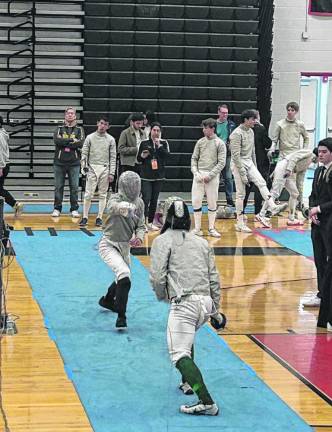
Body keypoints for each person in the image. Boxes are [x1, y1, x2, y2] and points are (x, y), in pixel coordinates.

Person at [149, 198, 225, 416]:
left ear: (166, 217)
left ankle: (206, 400)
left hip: (185, 303)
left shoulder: (163, 241)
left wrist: (163, 296)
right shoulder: (201, 242)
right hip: (205, 304)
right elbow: (213, 278)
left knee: (178, 353)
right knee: (186, 336)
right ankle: (188, 382)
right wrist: (215, 310)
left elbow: (157, 277)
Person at [98, 171, 145, 330]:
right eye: (130, 185)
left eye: (135, 185)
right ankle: (121, 316)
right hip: (108, 244)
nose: (133, 188)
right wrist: (125, 207)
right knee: (124, 276)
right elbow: (112, 208)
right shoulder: (115, 198)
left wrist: (139, 237)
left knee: (122, 277)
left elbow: (141, 226)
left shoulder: (140, 203)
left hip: (125, 246)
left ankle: (107, 300)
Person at [230, 109, 287, 233]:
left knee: (261, 182)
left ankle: (272, 206)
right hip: (238, 164)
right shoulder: (236, 134)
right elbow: (235, 156)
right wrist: (243, 174)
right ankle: (239, 223)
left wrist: (254, 168)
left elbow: (253, 152)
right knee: (241, 194)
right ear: (246, 120)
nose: (255, 121)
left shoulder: (251, 131)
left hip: (249, 162)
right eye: (252, 119)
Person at [304, 138, 332, 307]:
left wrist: (319, 209)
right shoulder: (318, 171)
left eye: (324, 152)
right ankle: (322, 294)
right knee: (320, 260)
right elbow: (312, 195)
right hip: (318, 224)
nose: (320, 155)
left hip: (329, 222)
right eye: (319, 152)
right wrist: (311, 209)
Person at [259, 149, 316, 226]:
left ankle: (291, 218)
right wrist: (288, 170)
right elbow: (294, 157)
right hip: (285, 167)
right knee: (275, 192)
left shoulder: (307, 164)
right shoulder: (308, 152)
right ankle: (261, 214)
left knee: (295, 193)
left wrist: (301, 200)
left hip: (288, 171)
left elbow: (300, 182)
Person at [269, 102, 309, 210]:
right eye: (289, 110)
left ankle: (299, 204)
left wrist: (304, 151)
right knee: (279, 181)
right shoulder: (280, 124)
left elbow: (306, 138)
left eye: (293, 110)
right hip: (283, 156)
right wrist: (272, 148)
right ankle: (272, 204)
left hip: (296, 157)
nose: (290, 112)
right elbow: (274, 140)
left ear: (296, 112)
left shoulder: (300, 124)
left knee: (299, 182)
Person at [191, 118, 226, 238]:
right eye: (203, 127)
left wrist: (210, 175)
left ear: (212, 129)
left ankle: (211, 228)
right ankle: (197, 228)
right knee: (196, 202)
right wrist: (196, 172)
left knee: (212, 202)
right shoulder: (200, 142)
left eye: (205, 128)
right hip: (199, 176)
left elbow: (221, 163)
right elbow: (194, 158)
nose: (203, 130)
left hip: (212, 177)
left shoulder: (220, 143)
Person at [79, 116, 116, 227]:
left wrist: (111, 173)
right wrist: (84, 167)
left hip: (105, 168)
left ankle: (99, 217)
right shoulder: (90, 138)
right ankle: (85, 217)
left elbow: (113, 157)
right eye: (101, 123)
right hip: (92, 168)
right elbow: (84, 154)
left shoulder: (111, 139)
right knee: (88, 194)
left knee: (103, 195)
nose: (102, 126)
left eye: (105, 124)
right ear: (97, 123)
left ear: (108, 126)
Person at [52, 107, 85, 218]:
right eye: (68, 113)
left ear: (75, 116)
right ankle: (57, 208)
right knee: (58, 186)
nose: (70, 115)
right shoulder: (59, 128)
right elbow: (57, 141)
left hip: (74, 163)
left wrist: (65, 142)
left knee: (74, 187)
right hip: (59, 162)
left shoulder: (80, 130)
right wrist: (71, 140)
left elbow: (80, 143)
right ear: (65, 115)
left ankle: (74, 209)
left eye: (72, 113)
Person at [137, 122, 169, 231]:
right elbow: (138, 159)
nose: (156, 133)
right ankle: (142, 222)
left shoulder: (164, 143)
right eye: (154, 130)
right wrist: (142, 156)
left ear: (160, 132)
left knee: (154, 200)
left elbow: (167, 156)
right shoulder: (144, 143)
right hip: (146, 176)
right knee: (146, 198)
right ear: (150, 131)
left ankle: (150, 221)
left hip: (159, 176)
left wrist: (159, 146)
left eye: (158, 131)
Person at [243, 110, 272, 218]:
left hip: (248, 161)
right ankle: (257, 211)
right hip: (259, 161)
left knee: (246, 188)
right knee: (260, 186)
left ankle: (241, 212)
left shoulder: (244, 130)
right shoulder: (260, 128)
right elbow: (268, 143)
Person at [0, 116, 24, 216]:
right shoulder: (2, 133)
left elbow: (0, 152)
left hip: (2, 165)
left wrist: (0, 166)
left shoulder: (0, 135)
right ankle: (15, 204)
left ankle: (15, 204)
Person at [216, 104, 236, 206]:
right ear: (218, 112)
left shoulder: (231, 125)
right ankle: (213, 198)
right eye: (223, 113)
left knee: (228, 177)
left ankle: (229, 199)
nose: (225, 115)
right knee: (214, 177)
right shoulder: (213, 124)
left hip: (227, 154)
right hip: (215, 154)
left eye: (226, 113)